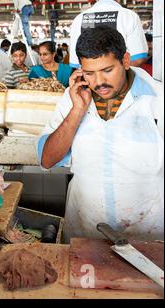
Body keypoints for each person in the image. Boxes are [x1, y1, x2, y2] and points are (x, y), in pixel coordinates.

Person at [37, 26, 163, 242]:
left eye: (107, 70)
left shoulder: (157, 99)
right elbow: (47, 159)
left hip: (148, 235)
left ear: (125, 60)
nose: (99, 82)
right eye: (89, 73)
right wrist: (77, 109)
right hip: (85, 233)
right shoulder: (74, 97)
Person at [69, 0, 148, 69]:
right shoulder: (129, 16)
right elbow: (138, 59)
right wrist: (115, 75)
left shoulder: (79, 19)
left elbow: (76, 63)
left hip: (90, 83)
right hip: (124, 82)